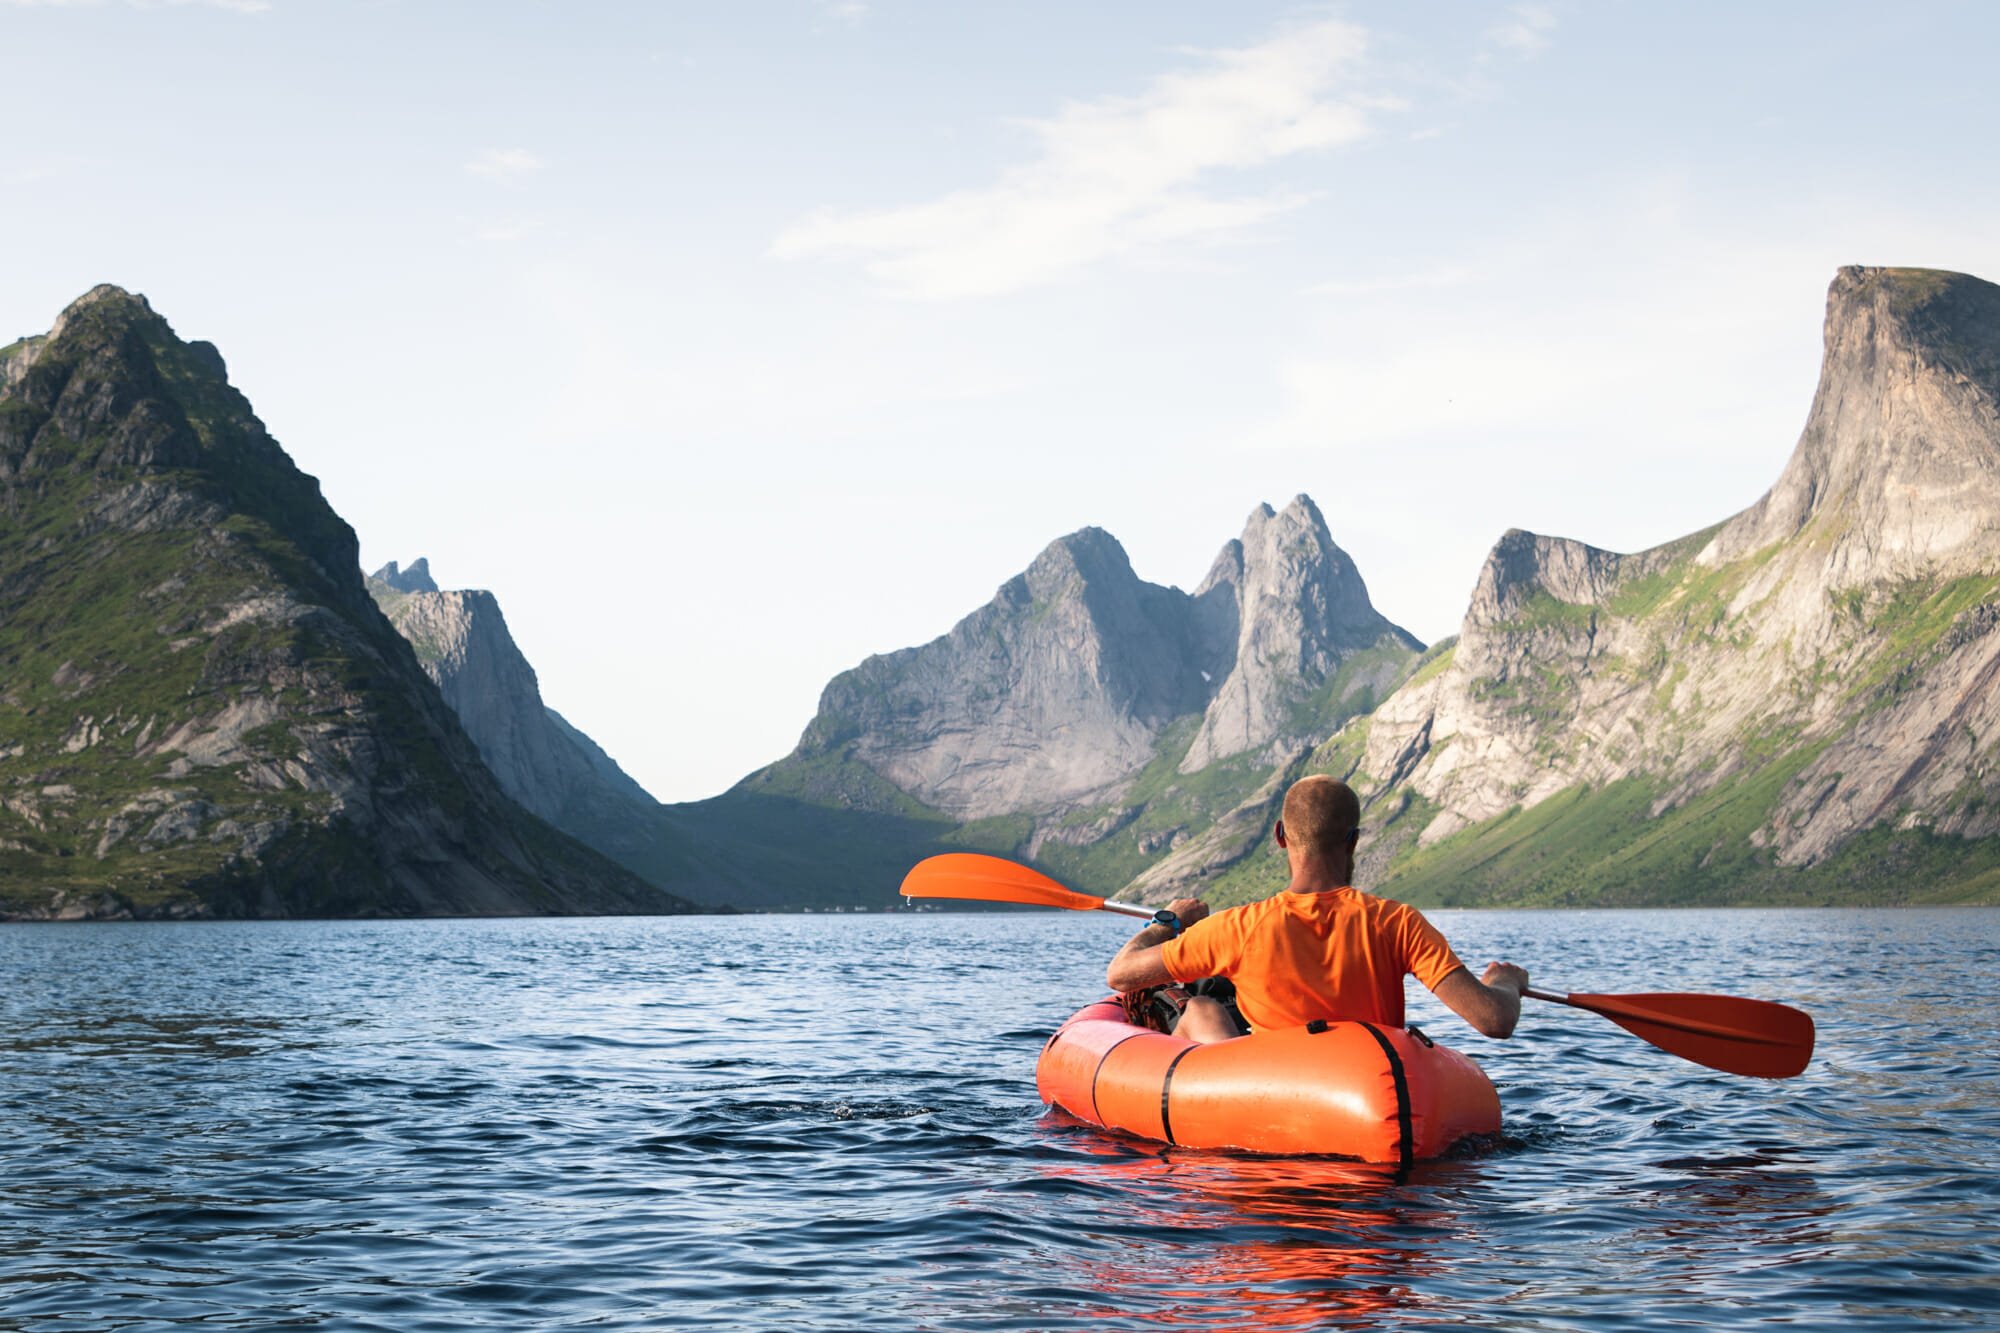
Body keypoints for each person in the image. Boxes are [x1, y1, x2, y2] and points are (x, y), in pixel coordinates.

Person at [1106, 774, 1528, 1044]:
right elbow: (1494, 1020)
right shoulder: (1399, 923)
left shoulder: (1238, 927)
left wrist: (1171, 920)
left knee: (1199, 1009)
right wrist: (1504, 982)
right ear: (1354, 840)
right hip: (1367, 1097)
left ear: (1280, 837)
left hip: (1273, 1097)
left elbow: (1121, 974)